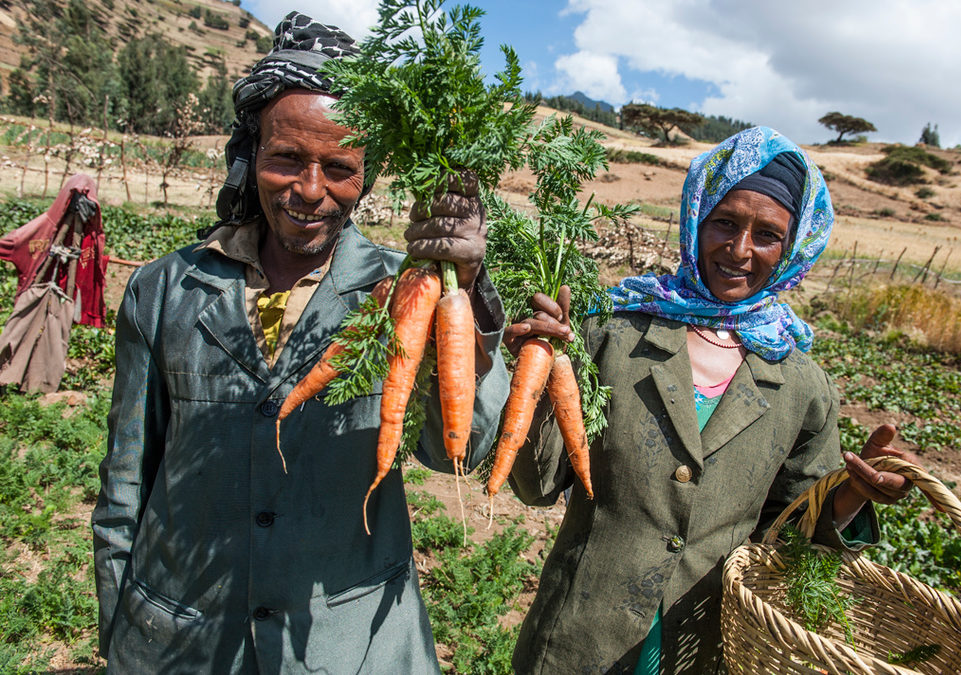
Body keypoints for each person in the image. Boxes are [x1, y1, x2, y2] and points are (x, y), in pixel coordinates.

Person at [91, 13, 509, 673]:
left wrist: (469, 291)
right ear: (251, 150)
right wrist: (119, 629)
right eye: (288, 158)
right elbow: (124, 484)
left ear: (365, 176)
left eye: (339, 167)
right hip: (178, 644)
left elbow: (460, 447)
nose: (311, 190)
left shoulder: (400, 291)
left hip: (350, 647)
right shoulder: (162, 290)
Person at [504, 126, 917, 674]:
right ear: (695, 218)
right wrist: (534, 371)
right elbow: (536, 487)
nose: (739, 250)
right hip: (578, 640)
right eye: (725, 222)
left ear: (792, 248)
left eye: (767, 234)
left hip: (702, 646)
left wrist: (853, 497)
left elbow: (792, 531)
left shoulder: (801, 385)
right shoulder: (612, 335)